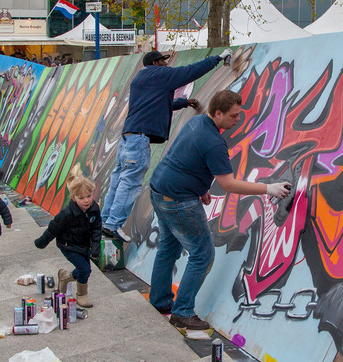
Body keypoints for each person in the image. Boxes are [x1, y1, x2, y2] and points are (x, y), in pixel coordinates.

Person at [147, 89, 291, 330]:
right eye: (233, 116)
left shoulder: (197, 122)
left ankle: (160, 301)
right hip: (179, 201)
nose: (238, 119)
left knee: (168, 248)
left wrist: (200, 186)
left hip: (160, 189)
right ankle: (182, 311)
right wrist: (269, 189)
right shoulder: (214, 142)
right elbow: (229, 184)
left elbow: (183, 157)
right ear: (218, 113)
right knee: (202, 254)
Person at [99, 49, 232, 243]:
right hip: (138, 140)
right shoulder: (158, 74)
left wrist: (183, 102)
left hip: (128, 138)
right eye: (162, 61)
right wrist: (217, 59)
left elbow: (157, 104)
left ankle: (105, 222)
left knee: (119, 180)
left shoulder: (141, 79)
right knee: (130, 183)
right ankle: (112, 225)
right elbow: (188, 72)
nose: (166, 65)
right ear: (155, 63)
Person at [34, 174, 102, 308]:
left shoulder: (94, 209)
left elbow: (96, 229)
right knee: (85, 270)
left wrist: (95, 248)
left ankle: (65, 276)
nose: (86, 200)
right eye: (81, 198)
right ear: (73, 198)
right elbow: (53, 228)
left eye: (89, 196)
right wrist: (42, 242)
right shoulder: (67, 213)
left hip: (83, 245)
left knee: (84, 269)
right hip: (68, 245)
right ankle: (81, 295)